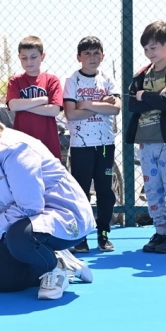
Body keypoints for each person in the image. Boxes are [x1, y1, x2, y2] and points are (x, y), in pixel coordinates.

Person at [0, 105, 94, 300]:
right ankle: (53, 258)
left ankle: (55, 268)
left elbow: (30, 205)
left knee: (19, 236)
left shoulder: (14, 149)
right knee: (2, 280)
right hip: (31, 221)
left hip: (65, 218)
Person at [127, 21, 166, 254]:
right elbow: (132, 103)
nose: (150, 53)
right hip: (145, 141)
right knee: (152, 189)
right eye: (146, 49)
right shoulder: (141, 74)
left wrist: (144, 97)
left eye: (154, 48)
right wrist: (146, 97)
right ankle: (159, 230)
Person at [62, 36, 121, 253]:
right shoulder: (72, 81)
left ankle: (103, 233)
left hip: (105, 144)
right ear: (79, 57)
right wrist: (98, 105)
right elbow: (71, 113)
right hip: (81, 146)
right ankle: (81, 236)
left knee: (105, 191)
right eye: (87, 53)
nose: (92, 57)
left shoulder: (107, 79)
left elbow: (115, 108)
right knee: (81, 192)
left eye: (96, 53)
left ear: (103, 56)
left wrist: (85, 104)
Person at [6, 35, 63, 160]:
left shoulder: (51, 80)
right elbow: (13, 105)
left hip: (48, 143)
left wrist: (23, 106)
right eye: (24, 58)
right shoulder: (15, 81)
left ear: (42, 57)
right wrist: (43, 100)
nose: (29, 62)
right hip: (23, 143)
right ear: (19, 57)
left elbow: (54, 110)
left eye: (33, 57)